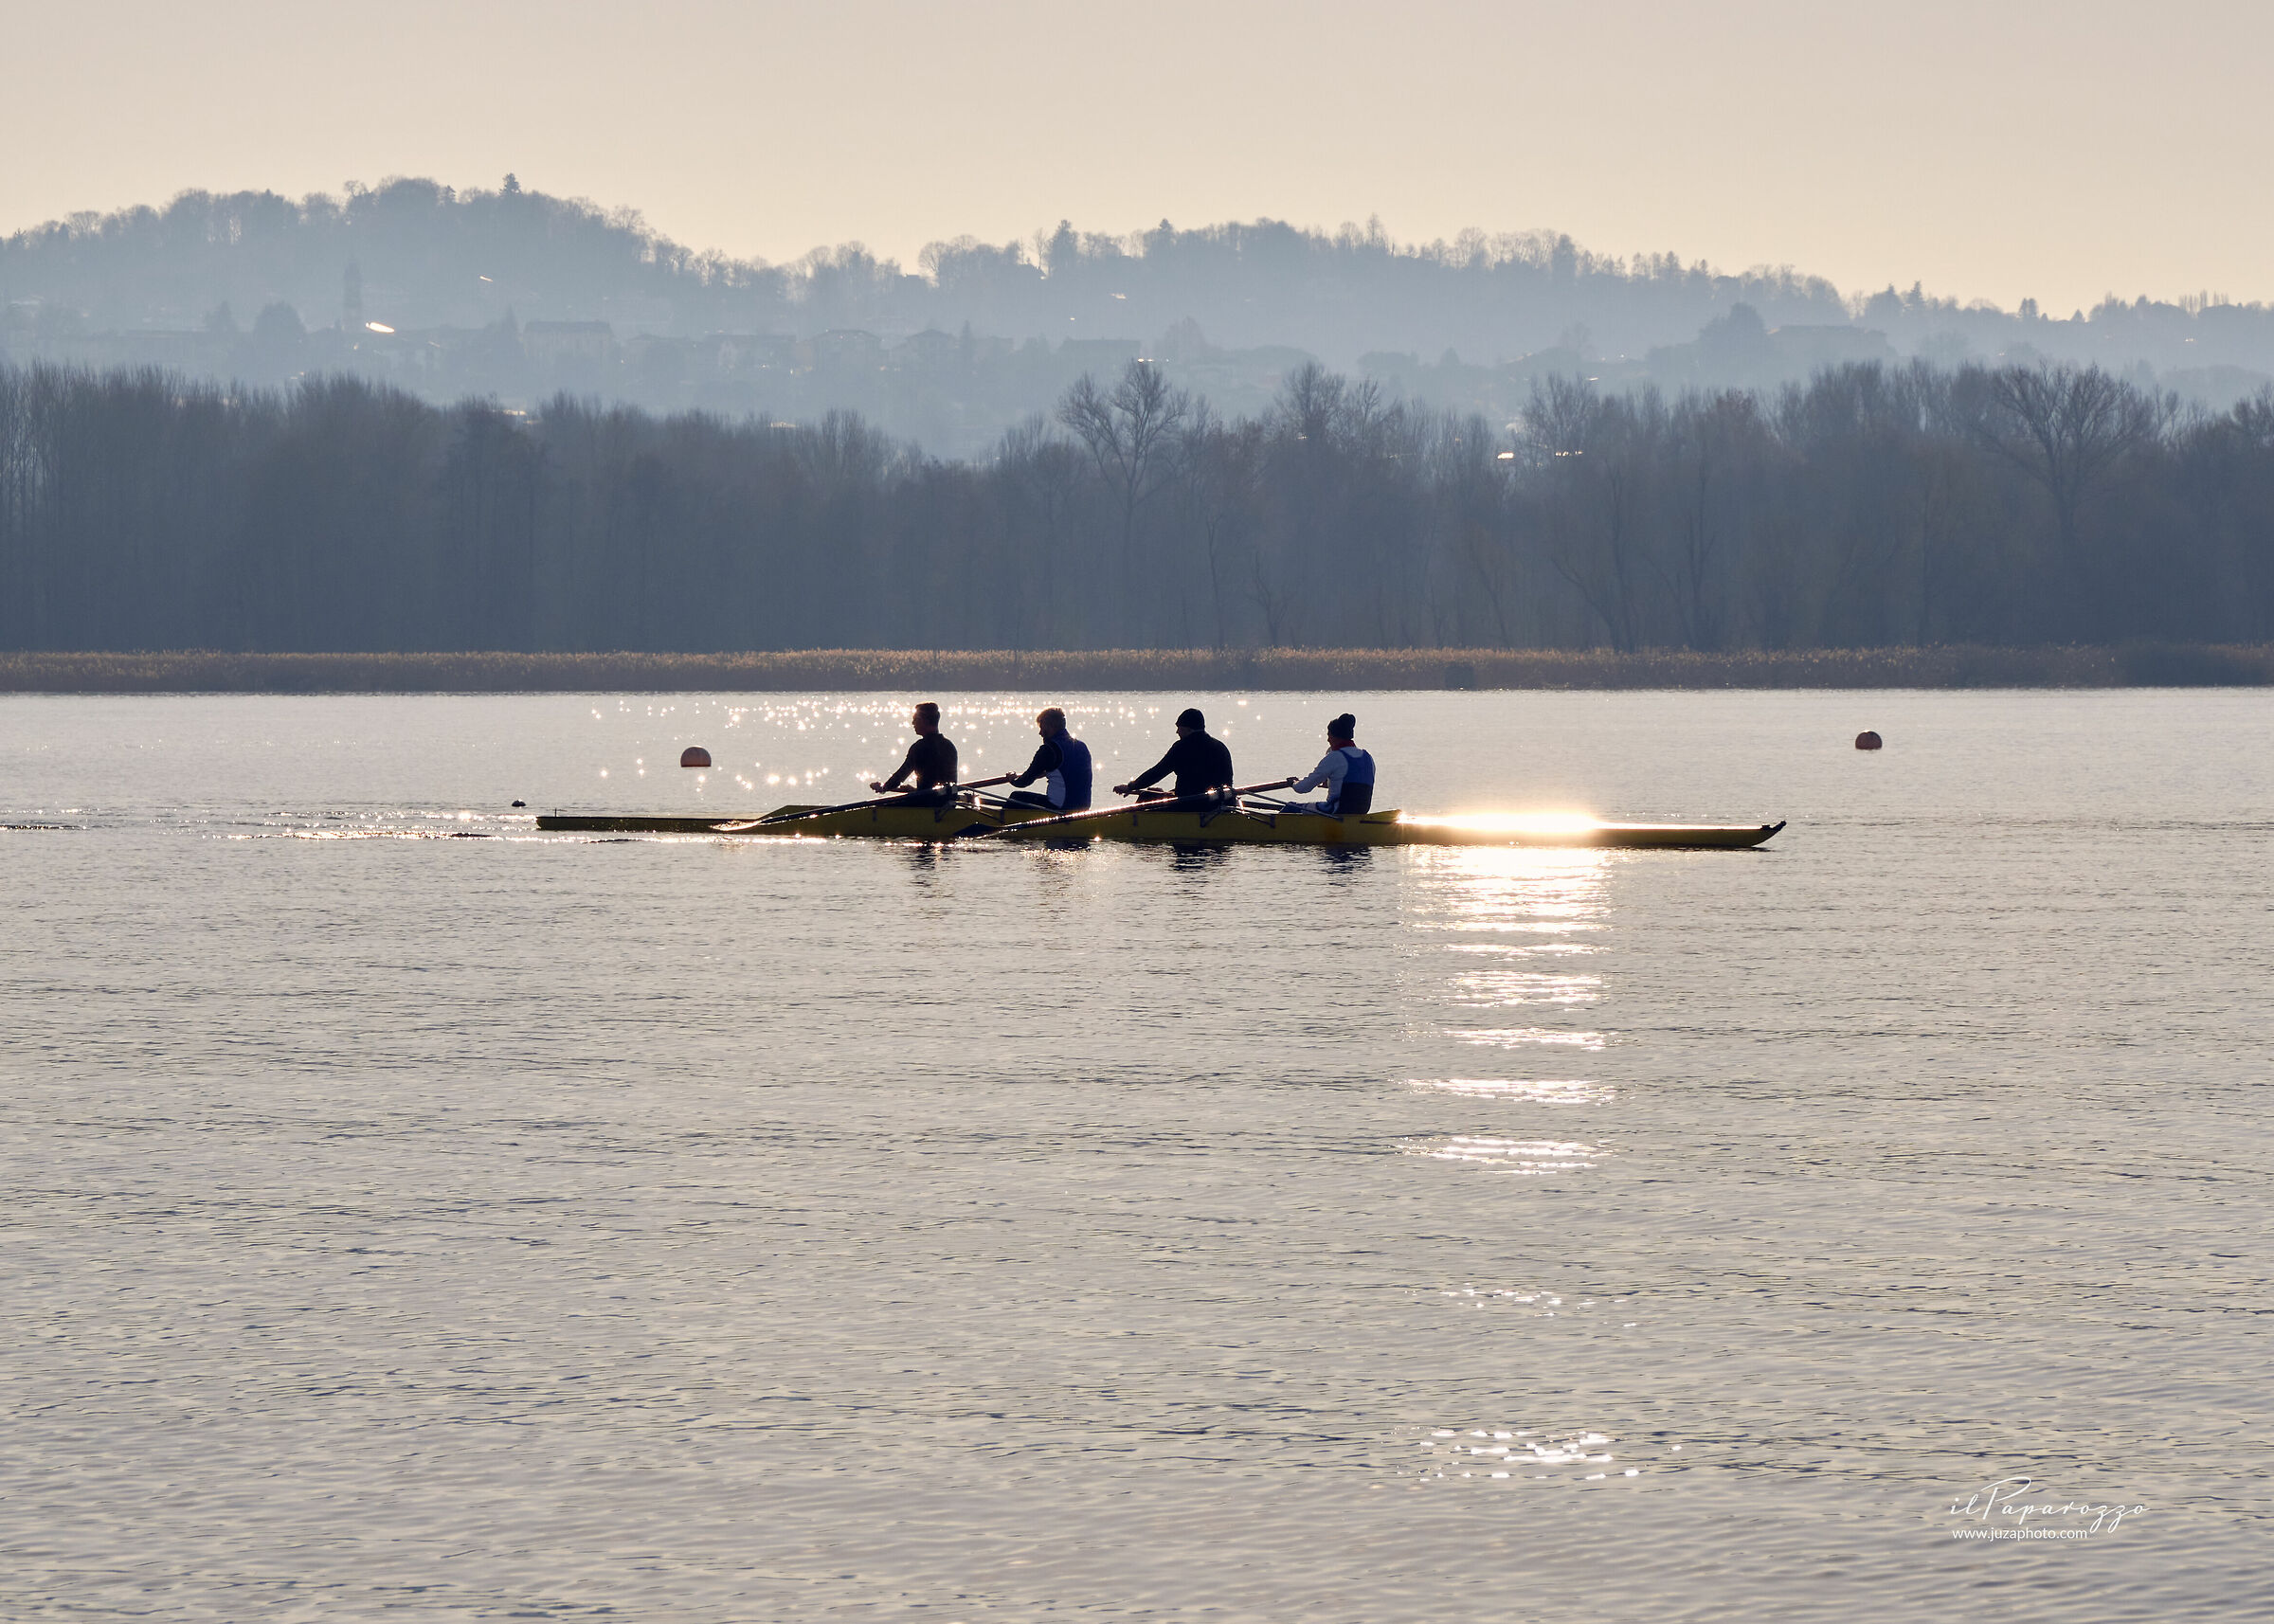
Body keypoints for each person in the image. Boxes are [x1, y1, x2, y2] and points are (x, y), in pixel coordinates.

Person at [1113, 707, 1236, 802]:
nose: (1177, 732)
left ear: (1188, 728)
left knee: (1146, 796)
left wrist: (1131, 787)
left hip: (1191, 805)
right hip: (1219, 803)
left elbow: (1158, 772)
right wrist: (1167, 793)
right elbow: (1225, 781)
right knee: (1155, 792)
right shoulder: (1220, 747)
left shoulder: (1182, 747)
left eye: (1179, 728)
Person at [1005, 707, 1092, 812]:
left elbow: (1024, 781)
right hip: (1083, 807)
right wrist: (1044, 772)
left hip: (1060, 807)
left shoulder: (1048, 750)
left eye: (1042, 728)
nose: (1040, 733)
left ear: (1051, 726)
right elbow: (1067, 769)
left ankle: (999, 821)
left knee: (1015, 797)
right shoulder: (1081, 746)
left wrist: (1012, 779)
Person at [1287, 712, 1375, 816]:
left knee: (1290, 807)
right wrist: (1330, 783)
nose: (1328, 740)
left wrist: (1293, 783)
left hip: (1337, 810)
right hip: (1362, 811)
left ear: (1337, 737)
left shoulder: (1335, 757)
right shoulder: (1368, 757)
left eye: (1329, 735)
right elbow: (1355, 784)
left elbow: (1303, 788)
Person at [872, 701, 959, 804]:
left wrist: (883, 788)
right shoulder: (949, 746)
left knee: (878, 808)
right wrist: (913, 791)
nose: (913, 723)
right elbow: (937, 783)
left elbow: (901, 775)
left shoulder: (919, 747)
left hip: (926, 804)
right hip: (948, 801)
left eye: (915, 719)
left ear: (925, 721)